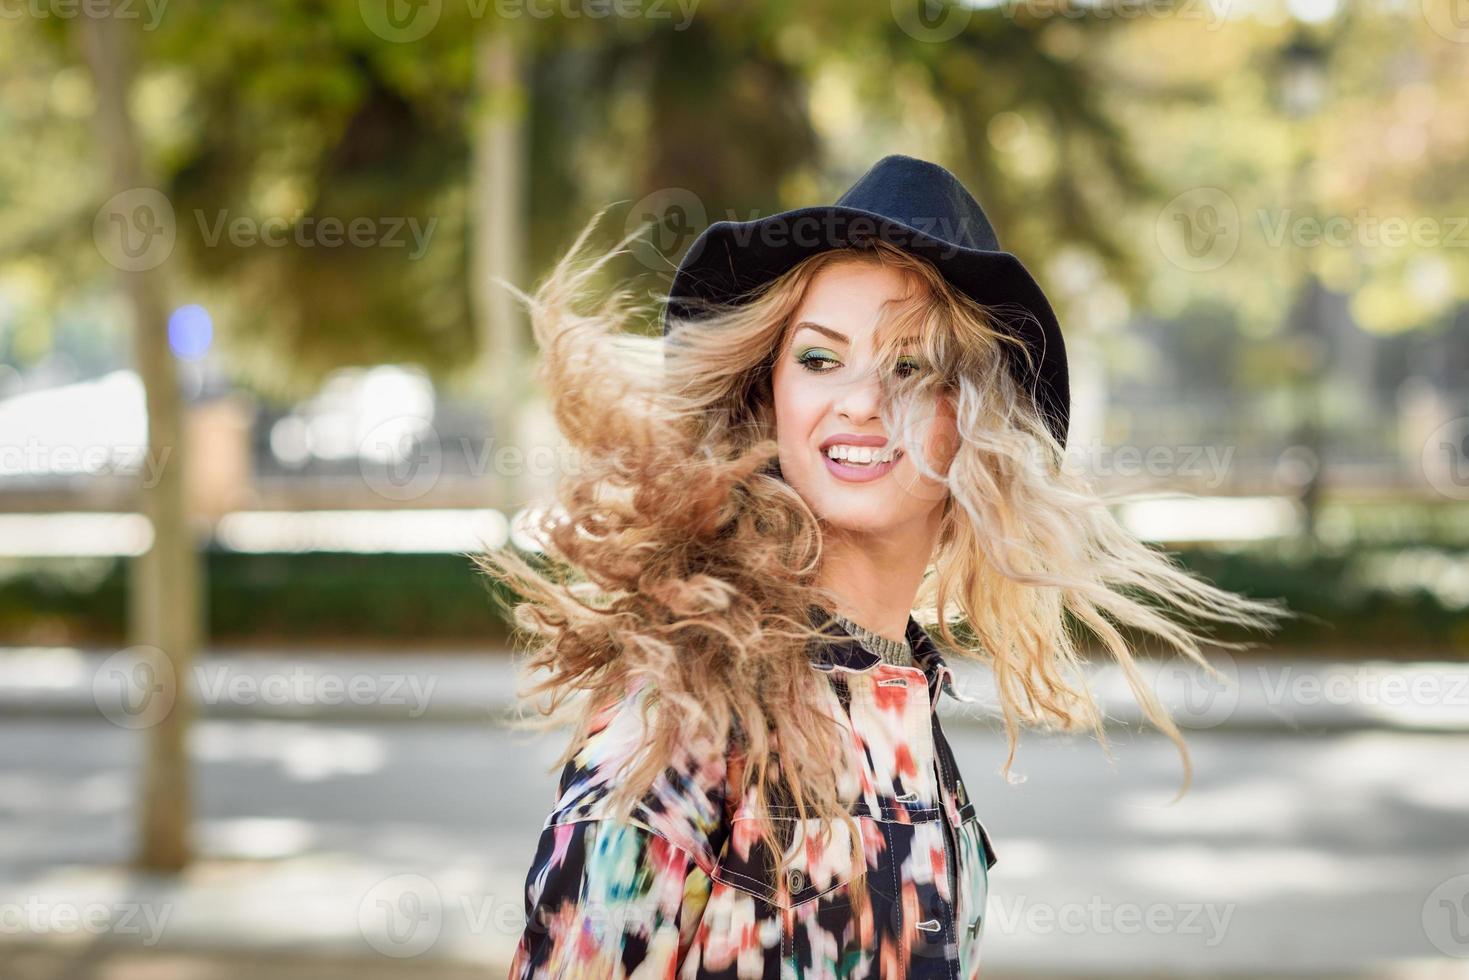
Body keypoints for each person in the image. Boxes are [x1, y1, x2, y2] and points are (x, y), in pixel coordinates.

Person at [478, 154, 1288, 979]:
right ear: (767, 397)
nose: (861, 401)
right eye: (820, 359)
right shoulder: (685, 700)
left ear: (974, 420)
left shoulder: (905, 701)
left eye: (911, 367)